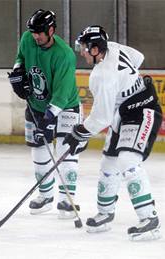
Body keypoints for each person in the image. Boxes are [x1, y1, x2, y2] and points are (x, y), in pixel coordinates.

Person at [64, 25, 162, 241]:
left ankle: (150, 218)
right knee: (109, 162)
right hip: (124, 112)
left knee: (128, 160)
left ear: (96, 49)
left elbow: (102, 118)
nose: (81, 51)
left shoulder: (101, 76)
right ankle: (105, 213)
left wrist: (80, 131)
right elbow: (139, 57)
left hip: (142, 110)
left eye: (84, 47)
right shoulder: (114, 47)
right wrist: (129, 81)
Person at [8, 9, 81, 218]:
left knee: (67, 151)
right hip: (36, 105)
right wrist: (17, 74)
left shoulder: (64, 54)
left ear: (51, 30)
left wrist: (49, 119)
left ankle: (67, 200)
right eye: (33, 32)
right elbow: (20, 57)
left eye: (39, 32)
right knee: (39, 151)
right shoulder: (28, 39)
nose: (35, 36)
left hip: (66, 106)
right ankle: (45, 195)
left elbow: (62, 94)